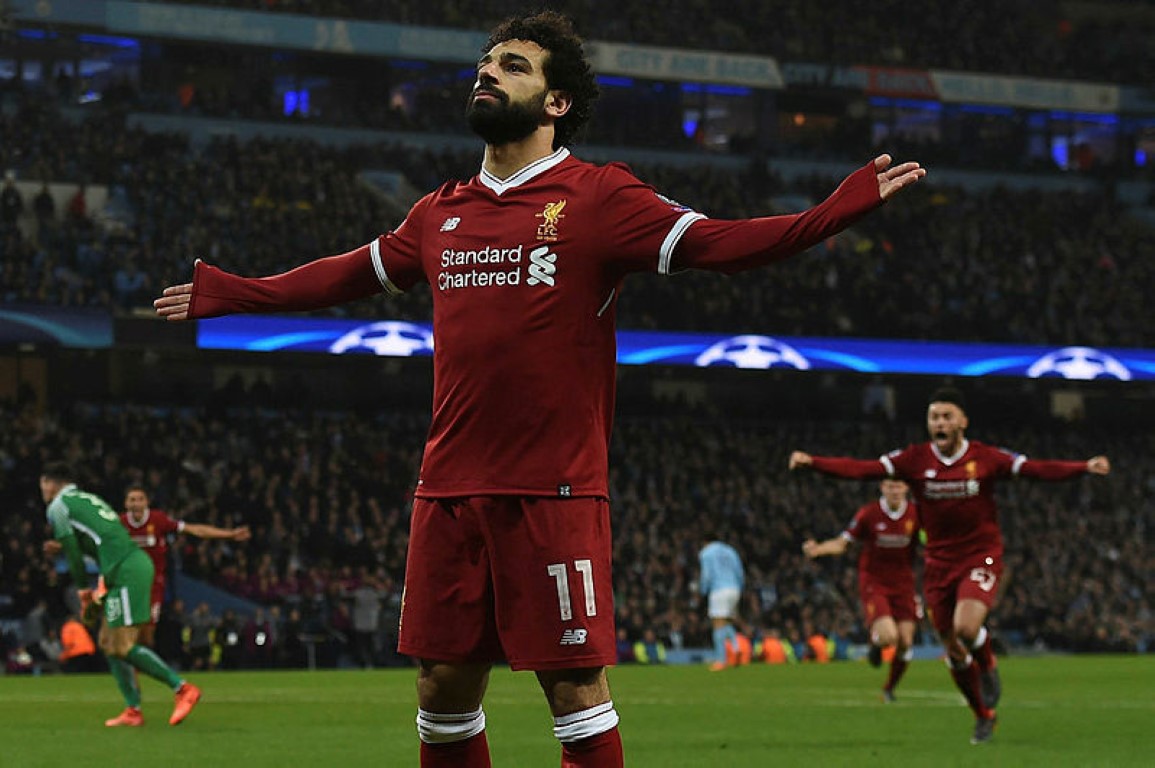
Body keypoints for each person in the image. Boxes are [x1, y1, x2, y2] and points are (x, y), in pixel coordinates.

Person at [153, 11, 925, 766]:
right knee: (441, 691)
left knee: (575, 694)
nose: (488, 73)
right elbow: (344, 274)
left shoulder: (599, 197)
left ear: (556, 102)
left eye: (512, 66)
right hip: (447, 492)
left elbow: (721, 243)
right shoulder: (439, 213)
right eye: (485, 65)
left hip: (550, 492)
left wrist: (831, 213)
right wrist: (234, 292)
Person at [789, 387, 1110, 745]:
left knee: (966, 628)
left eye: (947, 416)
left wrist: (1083, 467)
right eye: (934, 417)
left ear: (962, 422)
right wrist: (814, 463)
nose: (940, 423)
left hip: (980, 555)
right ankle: (983, 716)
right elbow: (862, 469)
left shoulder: (985, 457)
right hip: (938, 565)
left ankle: (987, 664)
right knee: (954, 652)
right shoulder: (914, 459)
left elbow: (1036, 469)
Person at [40, 462, 202, 727]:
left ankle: (182, 688)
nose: (43, 491)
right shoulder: (89, 500)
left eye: (44, 485)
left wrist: (83, 591)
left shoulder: (58, 507)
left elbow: (73, 554)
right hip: (120, 569)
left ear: (51, 483)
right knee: (108, 643)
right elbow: (101, 540)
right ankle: (133, 710)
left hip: (126, 570)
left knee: (122, 645)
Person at [802, 478, 920, 701]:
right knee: (889, 636)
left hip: (904, 583)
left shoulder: (916, 514)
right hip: (875, 582)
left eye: (899, 486)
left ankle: (889, 688)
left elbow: (931, 541)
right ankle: (876, 642)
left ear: (906, 488)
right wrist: (819, 549)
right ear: (882, 488)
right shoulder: (869, 514)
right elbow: (842, 543)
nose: (895, 491)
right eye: (890, 486)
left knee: (906, 642)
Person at [121, 485, 251, 647]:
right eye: (132, 500)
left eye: (140, 499)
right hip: (129, 584)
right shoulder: (119, 524)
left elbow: (195, 530)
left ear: (147, 502)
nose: (136, 504)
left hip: (153, 585)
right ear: (126, 504)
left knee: (146, 637)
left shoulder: (158, 520)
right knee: (127, 635)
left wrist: (229, 534)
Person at [698, 535, 745, 671]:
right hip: (734, 589)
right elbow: (740, 572)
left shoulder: (706, 553)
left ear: (705, 542)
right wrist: (740, 589)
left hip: (719, 589)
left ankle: (720, 660)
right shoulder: (731, 551)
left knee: (717, 624)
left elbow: (706, 574)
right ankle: (736, 648)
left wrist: (703, 590)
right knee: (727, 622)